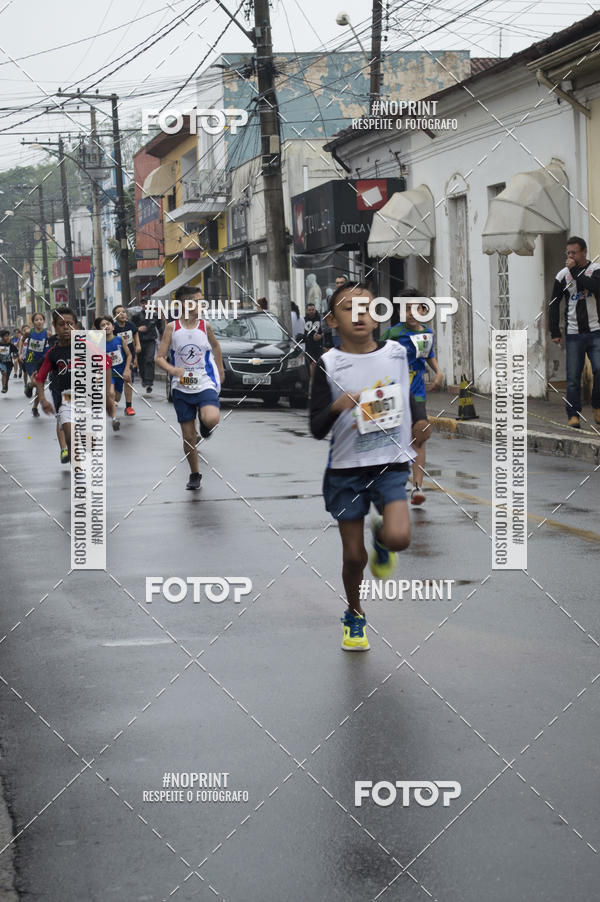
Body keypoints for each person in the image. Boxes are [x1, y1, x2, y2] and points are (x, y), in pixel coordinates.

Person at [310, 281, 416, 651]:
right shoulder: (328, 364)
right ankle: (354, 614)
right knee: (354, 557)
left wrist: (420, 424)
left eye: (367, 308)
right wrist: (339, 406)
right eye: (348, 309)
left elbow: (409, 396)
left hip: (389, 463)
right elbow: (315, 428)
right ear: (332, 321)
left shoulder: (397, 354)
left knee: (400, 537)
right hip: (346, 470)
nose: (360, 316)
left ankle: (382, 539)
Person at [156, 285, 224, 491]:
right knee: (188, 436)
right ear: (185, 304)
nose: (201, 305)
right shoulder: (172, 328)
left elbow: (216, 347)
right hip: (182, 387)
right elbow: (159, 357)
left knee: (211, 418)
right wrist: (172, 369)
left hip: (203, 382)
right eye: (197, 301)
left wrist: (220, 370)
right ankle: (195, 473)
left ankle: (206, 426)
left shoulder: (205, 326)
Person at [382, 289, 443, 505]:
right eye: (406, 308)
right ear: (399, 311)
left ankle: (417, 487)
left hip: (416, 392)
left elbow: (428, 356)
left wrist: (438, 372)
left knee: (420, 435)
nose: (411, 312)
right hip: (393, 393)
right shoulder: (392, 334)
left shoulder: (426, 334)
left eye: (415, 308)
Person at [35, 306, 115, 463]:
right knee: (70, 437)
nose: (66, 327)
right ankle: (78, 473)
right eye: (61, 324)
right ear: (54, 326)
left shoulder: (86, 346)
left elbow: (106, 364)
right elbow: (40, 378)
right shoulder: (53, 353)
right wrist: (43, 400)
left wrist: (106, 393)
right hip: (66, 399)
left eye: (69, 324)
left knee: (89, 444)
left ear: (75, 325)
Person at [549, 236, 600, 427]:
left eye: (574, 253)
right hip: (573, 334)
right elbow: (554, 304)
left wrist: (576, 271)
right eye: (568, 253)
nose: (570, 256)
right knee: (572, 377)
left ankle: (597, 406)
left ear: (584, 252)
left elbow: (595, 287)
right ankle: (573, 415)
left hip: (596, 330)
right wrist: (554, 330)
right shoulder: (562, 275)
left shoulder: (595, 270)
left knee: (599, 370)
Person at [94, 314, 132, 431]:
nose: (106, 327)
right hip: (109, 373)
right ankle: (114, 419)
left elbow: (129, 354)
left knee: (117, 397)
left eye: (108, 324)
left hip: (121, 372)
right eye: (102, 325)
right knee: (110, 393)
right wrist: (98, 374)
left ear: (113, 326)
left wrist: (127, 368)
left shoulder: (119, 340)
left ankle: (123, 406)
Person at [112, 305, 140, 416]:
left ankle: (129, 407)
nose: (122, 314)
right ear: (114, 316)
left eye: (123, 312)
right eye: (119, 312)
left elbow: (136, 335)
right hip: (117, 359)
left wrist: (138, 345)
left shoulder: (130, 325)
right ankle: (113, 400)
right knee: (117, 392)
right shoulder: (113, 328)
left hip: (130, 357)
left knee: (128, 381)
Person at [131, 296, 163, 394]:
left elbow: (161, 328)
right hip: (139, 341)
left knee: (149, 359)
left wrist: (163, 338)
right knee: (141, 361)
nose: (145, 305)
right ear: (141, 304)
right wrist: (138, 329)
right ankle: (144, 379)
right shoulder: (136, 316)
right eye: (143, 303)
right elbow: (130, 327)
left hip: (151, 341)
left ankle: (149, 382)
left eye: (147, 303)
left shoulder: (155, 315)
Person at [23, 312, 49, 416]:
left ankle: (35, 408)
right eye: (36, 320)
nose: (39, 322)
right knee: (36, 382)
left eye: (41, 319)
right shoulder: (29, 332)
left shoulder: (48, 333)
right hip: (30, 360)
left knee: (40, 386)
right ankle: (29, 385)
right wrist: (20, 353)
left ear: (44, 321)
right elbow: (22, 340)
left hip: (42, 361)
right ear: (33, 322)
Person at [303, 302, 323, 379]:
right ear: (307, 311)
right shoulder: (304, 319)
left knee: (317, 363)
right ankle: (312, 378)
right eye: (309, 310)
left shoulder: (320, 319)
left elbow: (325, 331)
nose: (311, 311)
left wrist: (320, 336)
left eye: (313, 310)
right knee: (309, 363)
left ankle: (316, 378)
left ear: (315, 310)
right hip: (308, 345)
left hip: (318, 345)